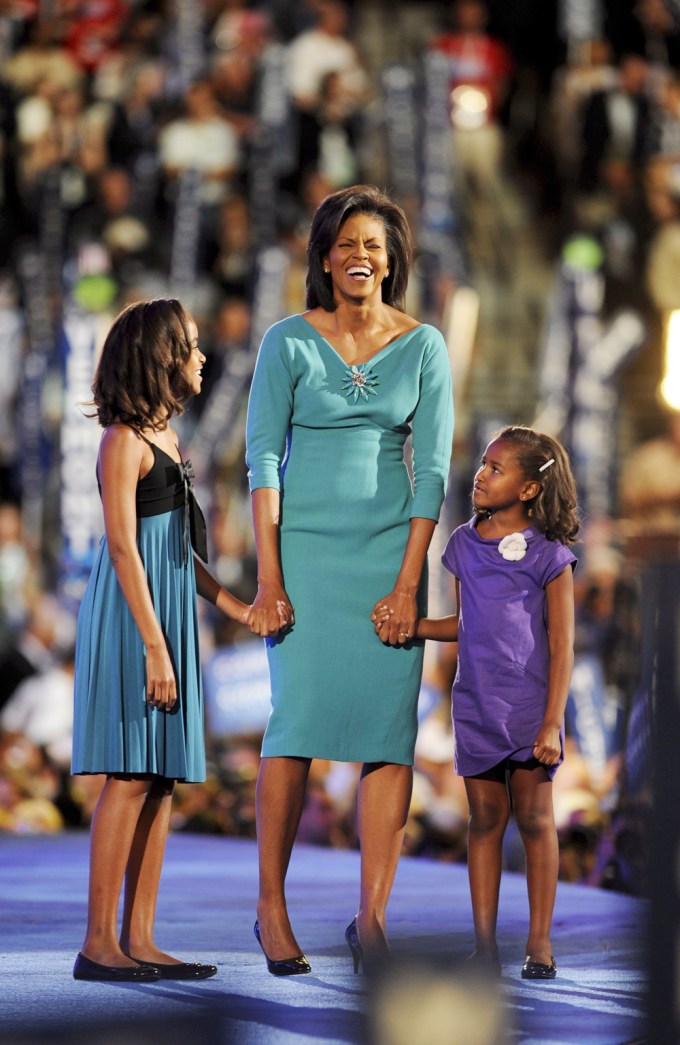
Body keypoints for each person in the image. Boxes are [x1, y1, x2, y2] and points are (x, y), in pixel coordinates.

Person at [244, 184, 454, 975]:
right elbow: (263, 458)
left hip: (387, 554)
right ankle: (271, 906)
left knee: (385, 735)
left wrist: (409, 583)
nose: (360, 257)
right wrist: (269, 574)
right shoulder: (286, 342)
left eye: (374, 245)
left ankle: (372, 916)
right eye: (346, 245)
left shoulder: (424, 344)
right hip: (302, 555)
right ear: (324, 258)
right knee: (293, 723)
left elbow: (432, 469)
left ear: (392, 259)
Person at [71, 298, 252, 983]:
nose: (203, 357)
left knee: (161, 778)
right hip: (133, 619)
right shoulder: (122, 441)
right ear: (161, 357)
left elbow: (176, 549)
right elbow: (123, 545)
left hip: (169, 616)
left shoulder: (170, 439)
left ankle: (139, 936)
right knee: (129, 774)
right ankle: (98, 942)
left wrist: (235, 603)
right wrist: (153, 643)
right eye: (193, 346)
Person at [399, 425, 578, 979]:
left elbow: (561, 643)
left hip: (528, 710)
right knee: (484, 823)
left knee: (535, 819)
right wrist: (416, 627)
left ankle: (540, 944)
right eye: (483, 463)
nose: (481, 474)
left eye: (497, 468)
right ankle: (484, 946)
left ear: (528, 489)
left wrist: (551, 722)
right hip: (475, 705)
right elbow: (468, 623)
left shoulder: (550, 556)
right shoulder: (462, 545)